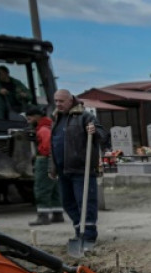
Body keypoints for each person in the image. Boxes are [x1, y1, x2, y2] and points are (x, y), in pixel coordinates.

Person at [49, 89, 107, 247]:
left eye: (61, 101)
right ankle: (78, 231)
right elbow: (53, 144)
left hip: (82, 169)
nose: (58, 104)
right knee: (68, 203)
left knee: (86, 202)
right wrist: (52, 167)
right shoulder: (56, 118)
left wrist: (94, 131)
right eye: (56, 101)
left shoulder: (85, 116)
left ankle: (88, 236)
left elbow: (103, 135)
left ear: (70, 100)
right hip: (63, 170)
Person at [25, 106, 63, 226]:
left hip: (45, 160)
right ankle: (58, 214)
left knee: (41, 188)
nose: (28, 121)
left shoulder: (43, 130)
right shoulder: (51, 126)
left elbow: (47, 146)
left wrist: (41, 154)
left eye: (29, 118)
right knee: (54, 188)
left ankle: (43, 217)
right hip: (54, 160)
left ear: (37, 117)